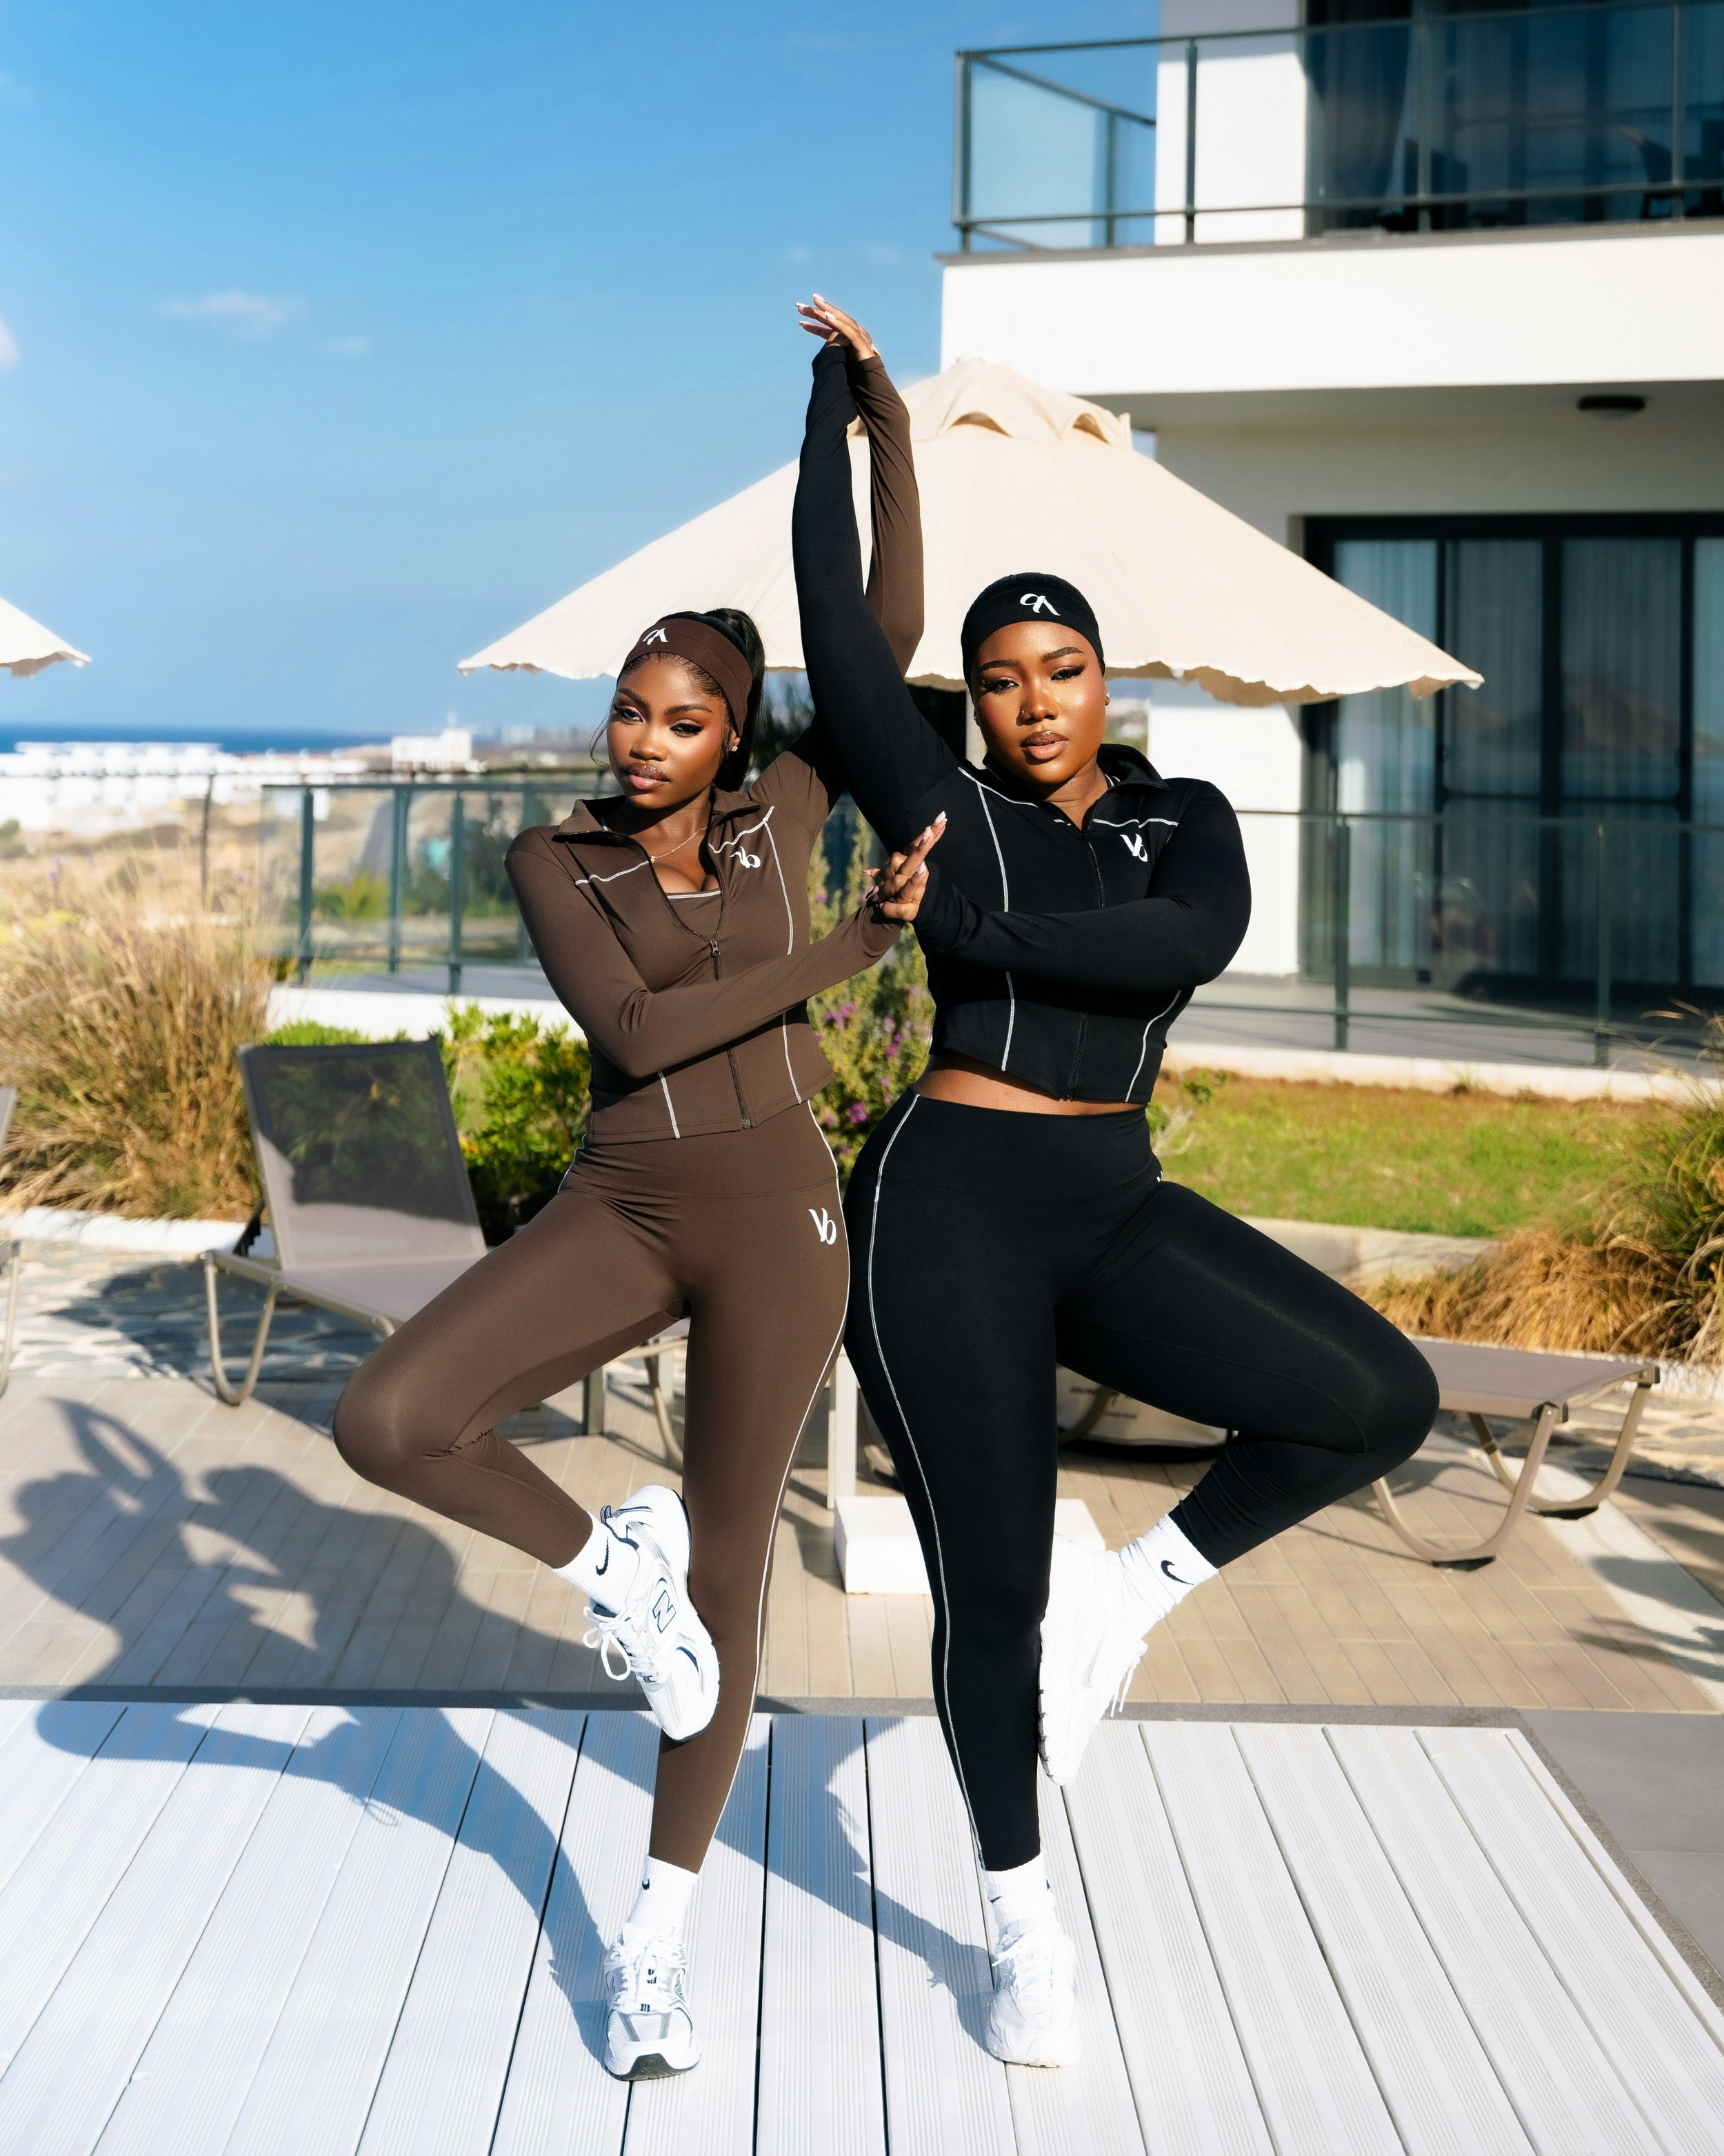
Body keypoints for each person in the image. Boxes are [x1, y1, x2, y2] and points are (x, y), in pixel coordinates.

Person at [792, 298, 1439, 2069]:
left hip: (1113, 1198)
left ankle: (1130, 1603)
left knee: (1373, 1396)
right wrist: (849, 431)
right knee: (983, 1589)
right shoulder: (943, 796)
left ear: (1104, 678)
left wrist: (976, 926)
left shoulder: (1180, 817)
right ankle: (1018, 1918)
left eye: (1054, 671)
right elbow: (838, 638)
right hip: (944, 1207)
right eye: (997, 682)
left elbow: (1183, 941)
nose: (1025, 703)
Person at [332, 326, 939, 2084]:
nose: (644, 739)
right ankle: (615, 1567)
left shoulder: (786, 808)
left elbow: (877, 628)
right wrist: (848, 947)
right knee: (392, 1411)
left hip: (776, 1214)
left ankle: (655, 1945)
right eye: (626, 710)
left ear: (735, 731)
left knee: (737, 1574)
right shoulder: (559, 855)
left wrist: (865, 425)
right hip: (624, 1197)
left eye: (682, 719)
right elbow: (639, 1026)